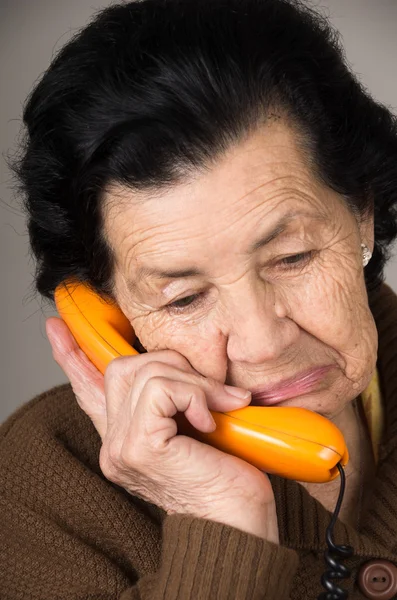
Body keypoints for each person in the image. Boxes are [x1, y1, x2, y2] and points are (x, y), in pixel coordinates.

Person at [2, 0, 397, 598]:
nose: (264, 342)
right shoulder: (41, 485)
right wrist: (220, 522)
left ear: (362, 215)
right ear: (105, 311)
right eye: (184, 299)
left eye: (292, 258)